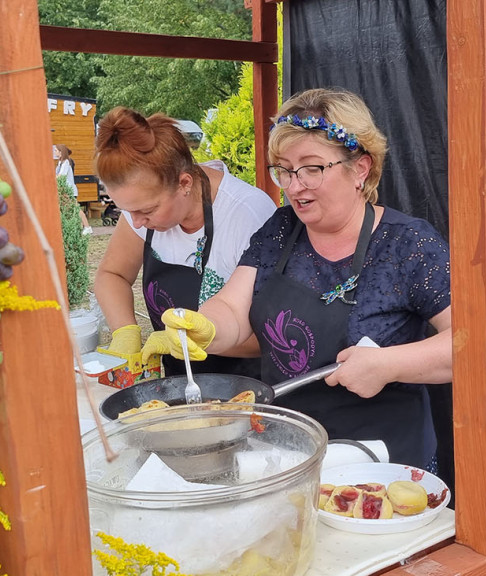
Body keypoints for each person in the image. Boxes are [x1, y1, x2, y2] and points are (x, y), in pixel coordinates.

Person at [141, 88, 453, 471]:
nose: (293, 185)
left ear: (360, 168)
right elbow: (232, 309)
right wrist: (204, 325)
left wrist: (389, 363)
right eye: (285, 170)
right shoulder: (281, 229)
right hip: (287, 451)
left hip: (381, 462)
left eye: (312, 168)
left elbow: (469, 344)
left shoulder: (409, 244)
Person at [93, 107, 277, 378]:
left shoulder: (247, 214)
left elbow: (271, 338)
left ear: (184, 183)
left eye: (147, 211)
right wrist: (125, 331)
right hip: (178, 381)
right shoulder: (140, 211)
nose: (136, 222)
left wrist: (186, 340)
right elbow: (112, 274)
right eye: (126, 211)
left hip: (244, 384)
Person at [54, 143, 92, 235]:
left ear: (61, 152)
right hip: (64, 191)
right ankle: (76, 228)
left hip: (69, 191)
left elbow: (61, 176)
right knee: (68, 210)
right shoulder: (60, 163)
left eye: (56, 150)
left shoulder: (66, 162)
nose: (54, 152)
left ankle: (87, 227)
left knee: (76, 209)